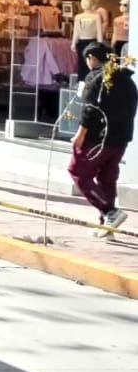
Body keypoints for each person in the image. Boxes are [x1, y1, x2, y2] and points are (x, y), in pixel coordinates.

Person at [70, 42, 136, 236]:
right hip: (121, 137)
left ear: (92, 58)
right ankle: (107, 225)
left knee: (78, 171)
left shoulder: (96, 77)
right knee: (107, 178)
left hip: (98, 138)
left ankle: (110, 212)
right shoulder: (127, 80)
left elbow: (89, 108)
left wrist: (80, 135)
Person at [71, 0, 105, 80]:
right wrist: (73, 43)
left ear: (91, 3)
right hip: (81, 41)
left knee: (92, 61)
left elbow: (99, 31)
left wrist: (100, 43)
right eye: (83, 2)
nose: (84, 3)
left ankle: (92, 80)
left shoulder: (96, 16)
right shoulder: (78, 17)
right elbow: (76, 31)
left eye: (86, 1)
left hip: (92, 41)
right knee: (81, 61)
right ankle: (81, 81)